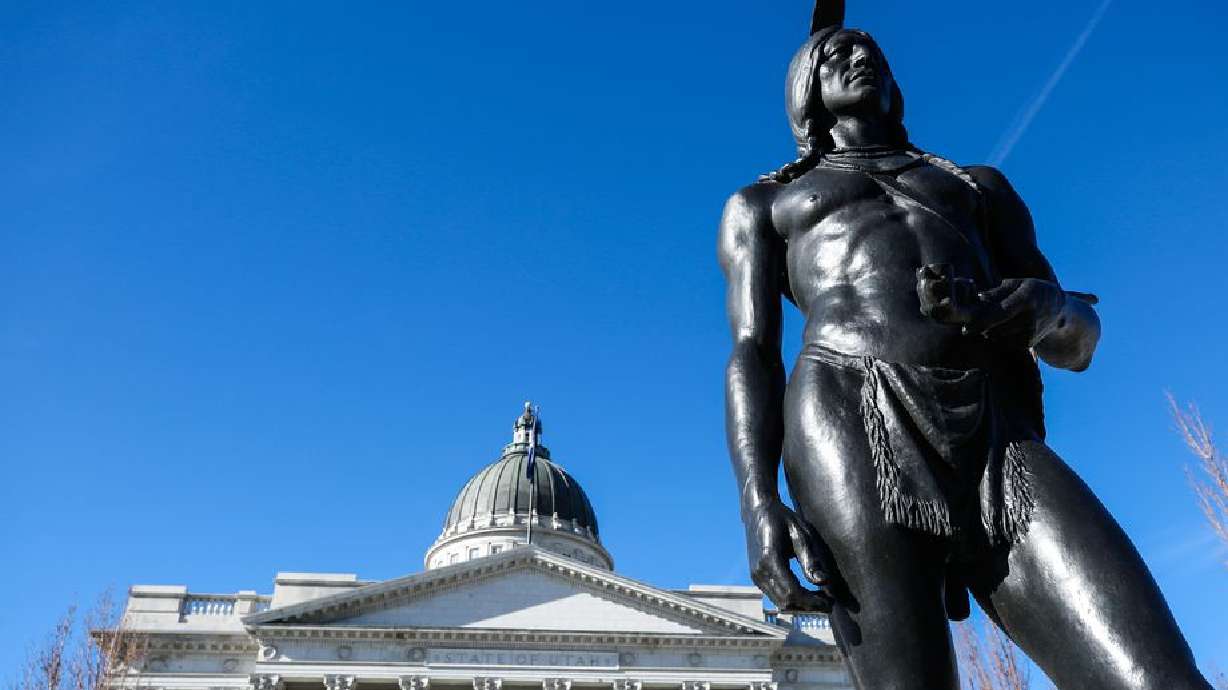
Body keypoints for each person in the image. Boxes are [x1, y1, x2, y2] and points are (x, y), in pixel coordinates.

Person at [718, 3, 1213, 688]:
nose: (862, 58)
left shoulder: (977, 188)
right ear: (805, 90)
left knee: (1158, 676)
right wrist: (757, 502)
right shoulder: (765, 204)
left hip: (997, 433)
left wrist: (1040, 309)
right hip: (847, 412)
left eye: (873, 53)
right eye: (839, 55)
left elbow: (1078, 342)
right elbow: (751, 351)